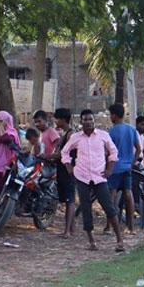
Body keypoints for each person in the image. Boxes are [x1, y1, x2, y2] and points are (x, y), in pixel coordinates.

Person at [61, 109, 124, 252]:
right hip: (82, 176)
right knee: (85, 207)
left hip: (99, 176)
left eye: (90, 119)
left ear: (94, 121)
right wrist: (69, 167)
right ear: (81, 122)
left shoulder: (103, 135)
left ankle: (119, 240)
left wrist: (109, 169)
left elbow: (113, 152)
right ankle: (91, 241)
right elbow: (64, 152)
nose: (88, 122)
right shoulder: (76, 137)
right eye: (85, 120)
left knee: (109, 207)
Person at [106, 103, 141, 234]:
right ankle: (130, 226)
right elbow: (138, 148)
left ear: (114, 115)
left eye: (110, 115)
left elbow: (107, 151)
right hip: (127, 167)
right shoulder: (131, 130)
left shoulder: (111, 131)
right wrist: (132, 162)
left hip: (114, 167)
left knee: (112, 196)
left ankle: (110, 226)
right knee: (128, 193)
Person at [49, 108, 76, 238]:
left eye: (57, 118)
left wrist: (49, 156)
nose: (55, 121)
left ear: (63, 120)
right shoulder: (64, 134)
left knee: (70, 200)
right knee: (67, 199)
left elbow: (65, 153)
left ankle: (68, 231)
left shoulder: (70, 134)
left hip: (68, 170)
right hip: (62, 169)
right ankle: (71, 229)